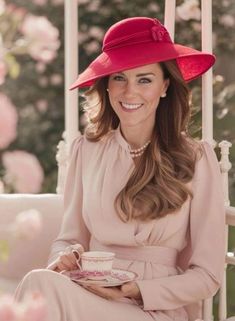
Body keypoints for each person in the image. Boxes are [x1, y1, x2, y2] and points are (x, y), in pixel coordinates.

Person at [15, 17, 225, 321]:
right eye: (119, 78)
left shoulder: (195, 158)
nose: (130, 92)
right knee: (40, 282)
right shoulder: (86, 150)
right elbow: (69, 237)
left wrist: (135, 289)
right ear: (107, 85)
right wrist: (66, 257)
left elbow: (207, 277)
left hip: (152, 307)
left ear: (165, 86)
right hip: (89, 294)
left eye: (144, 79)